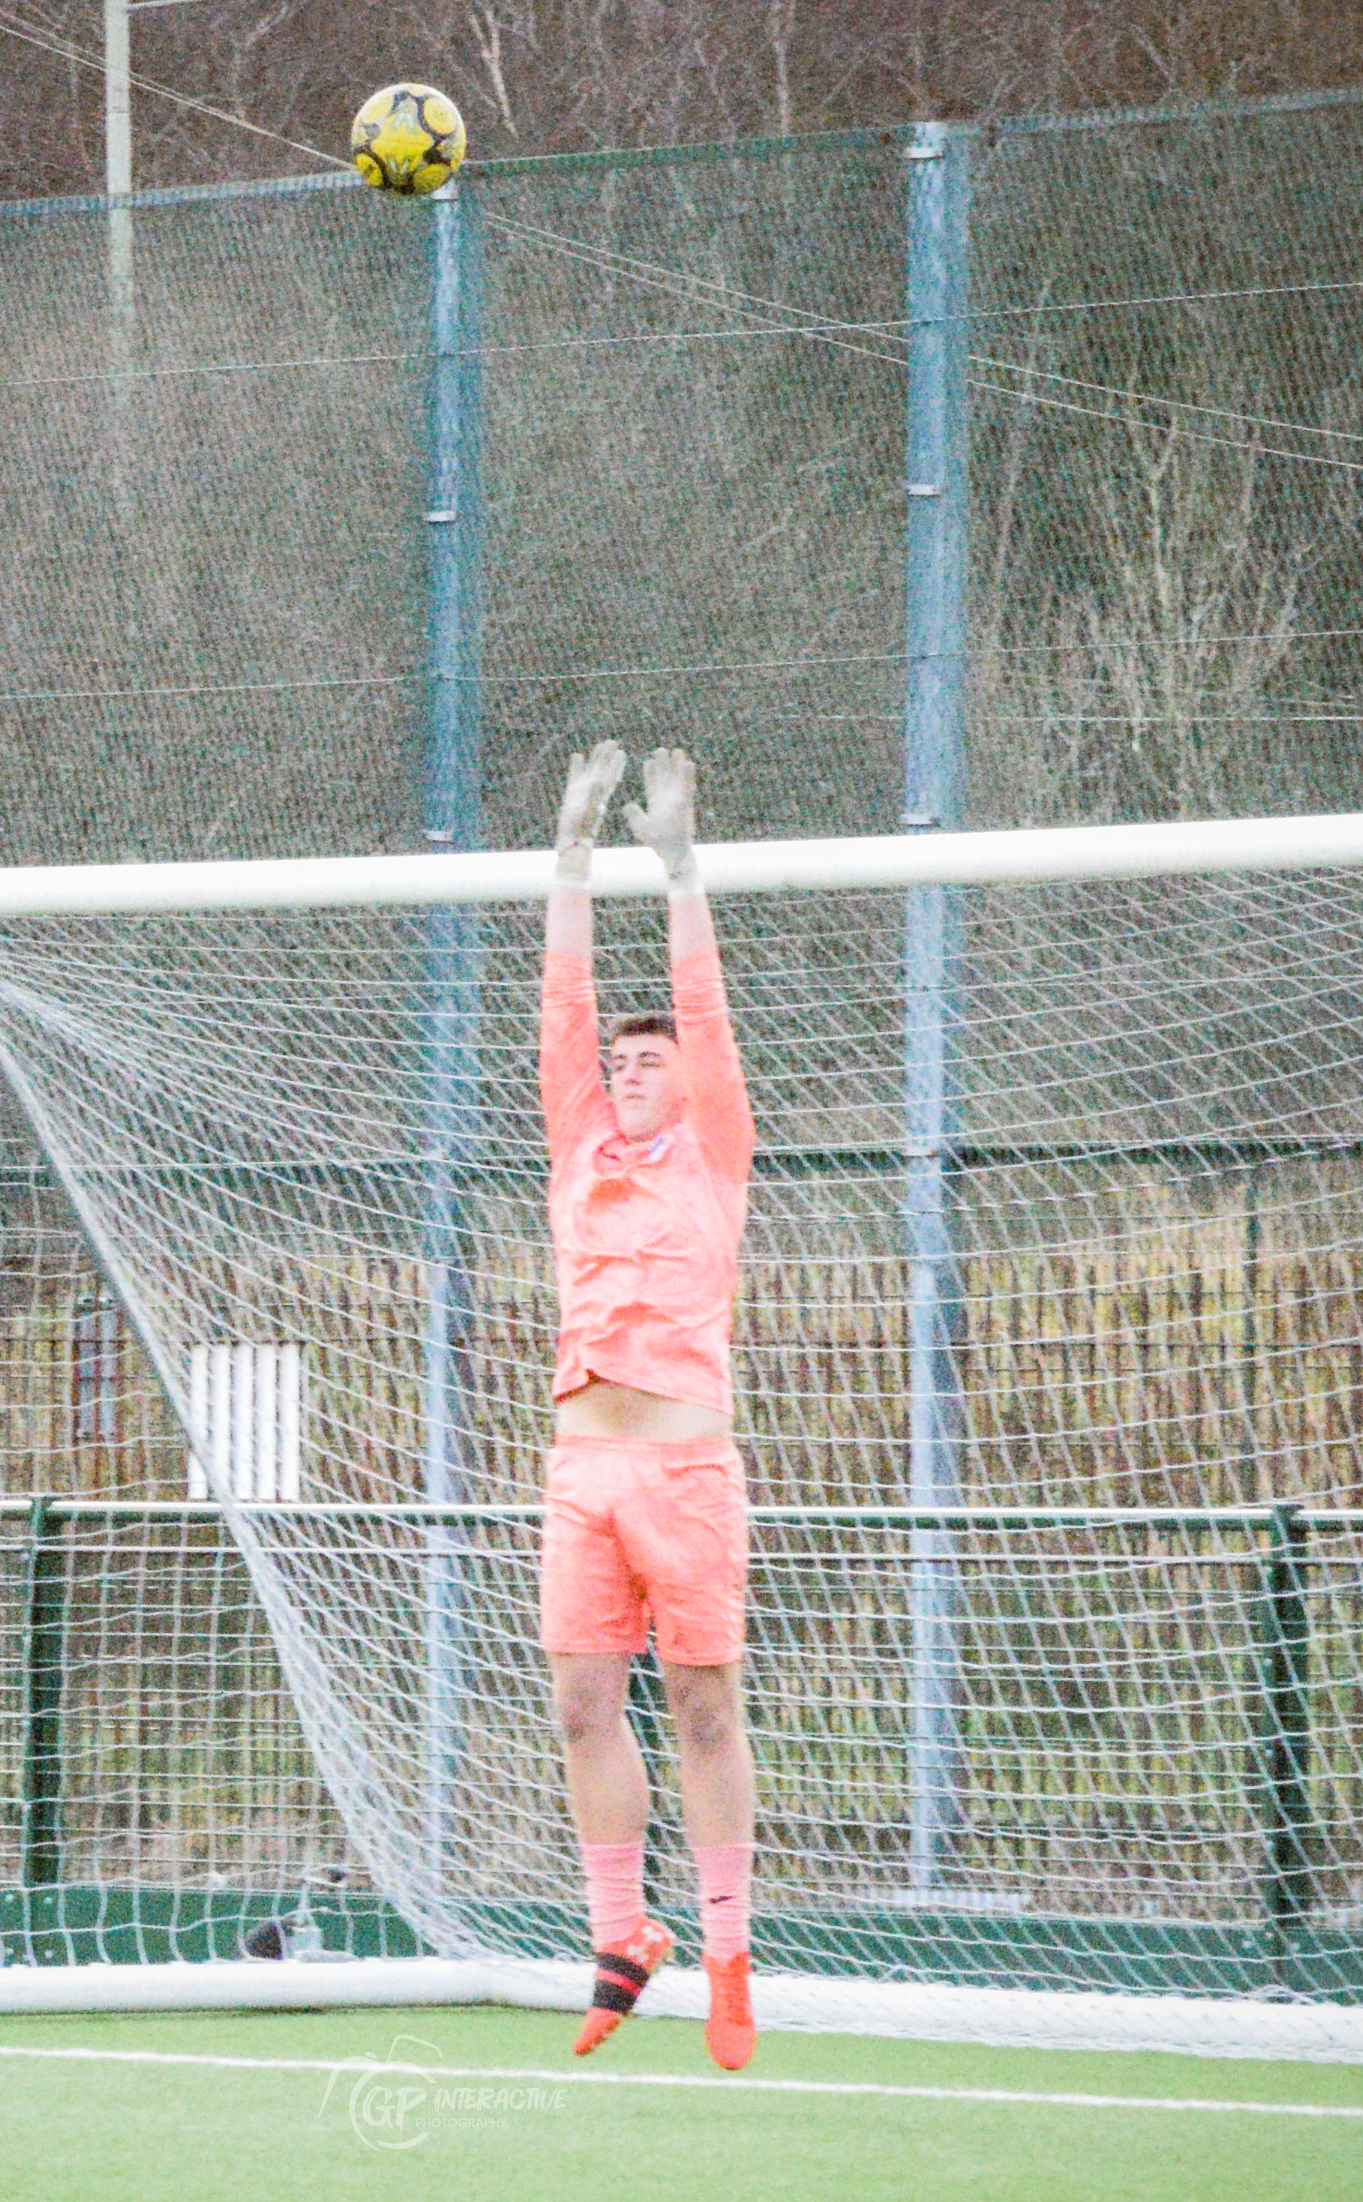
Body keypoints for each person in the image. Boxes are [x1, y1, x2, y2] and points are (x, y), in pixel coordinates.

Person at [539, 738, 758, 2073]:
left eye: (650, 1054)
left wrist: (677, 867)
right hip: (582, 1474)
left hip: (684, 1476)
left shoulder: (715, 1151)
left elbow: (701, 1007)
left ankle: (730, 1954)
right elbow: (567, 1003)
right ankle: (624, 1935)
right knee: (577, 1701)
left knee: (705, 1703)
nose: (628, 1061)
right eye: (618, 1056)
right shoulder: (581, 1150)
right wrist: (570, 857)